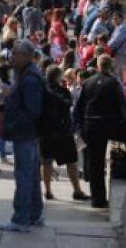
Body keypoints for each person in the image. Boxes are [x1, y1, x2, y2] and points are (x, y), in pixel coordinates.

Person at [73, 54, 126, 208]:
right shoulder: (114, 83)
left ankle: (98, 199)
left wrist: (80, 126)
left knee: (95, 163)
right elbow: (122, 106)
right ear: (111, 67)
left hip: (91, 126)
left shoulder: (87, 82)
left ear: (98, 66)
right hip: (109, 126)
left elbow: (79, 107)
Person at [0, 39, 44, 232]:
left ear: (25, 56)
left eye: (15, 53)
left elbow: (32, 110)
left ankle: (21, 219)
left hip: (25, 134)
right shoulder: (26, 74)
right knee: (31, 176)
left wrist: (11, 102)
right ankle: (34, 214)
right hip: (27, 134)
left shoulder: (30, 78)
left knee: (24, 176)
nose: (11, 56)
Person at [39, 65, 90, 202]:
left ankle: (48, 190)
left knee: (47, 162)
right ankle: (77, 190)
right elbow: (68, 105)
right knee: (71, 161)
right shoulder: (62, 91)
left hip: (46, 132)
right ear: (57, 77)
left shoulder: (41, 91)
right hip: (62, 131)